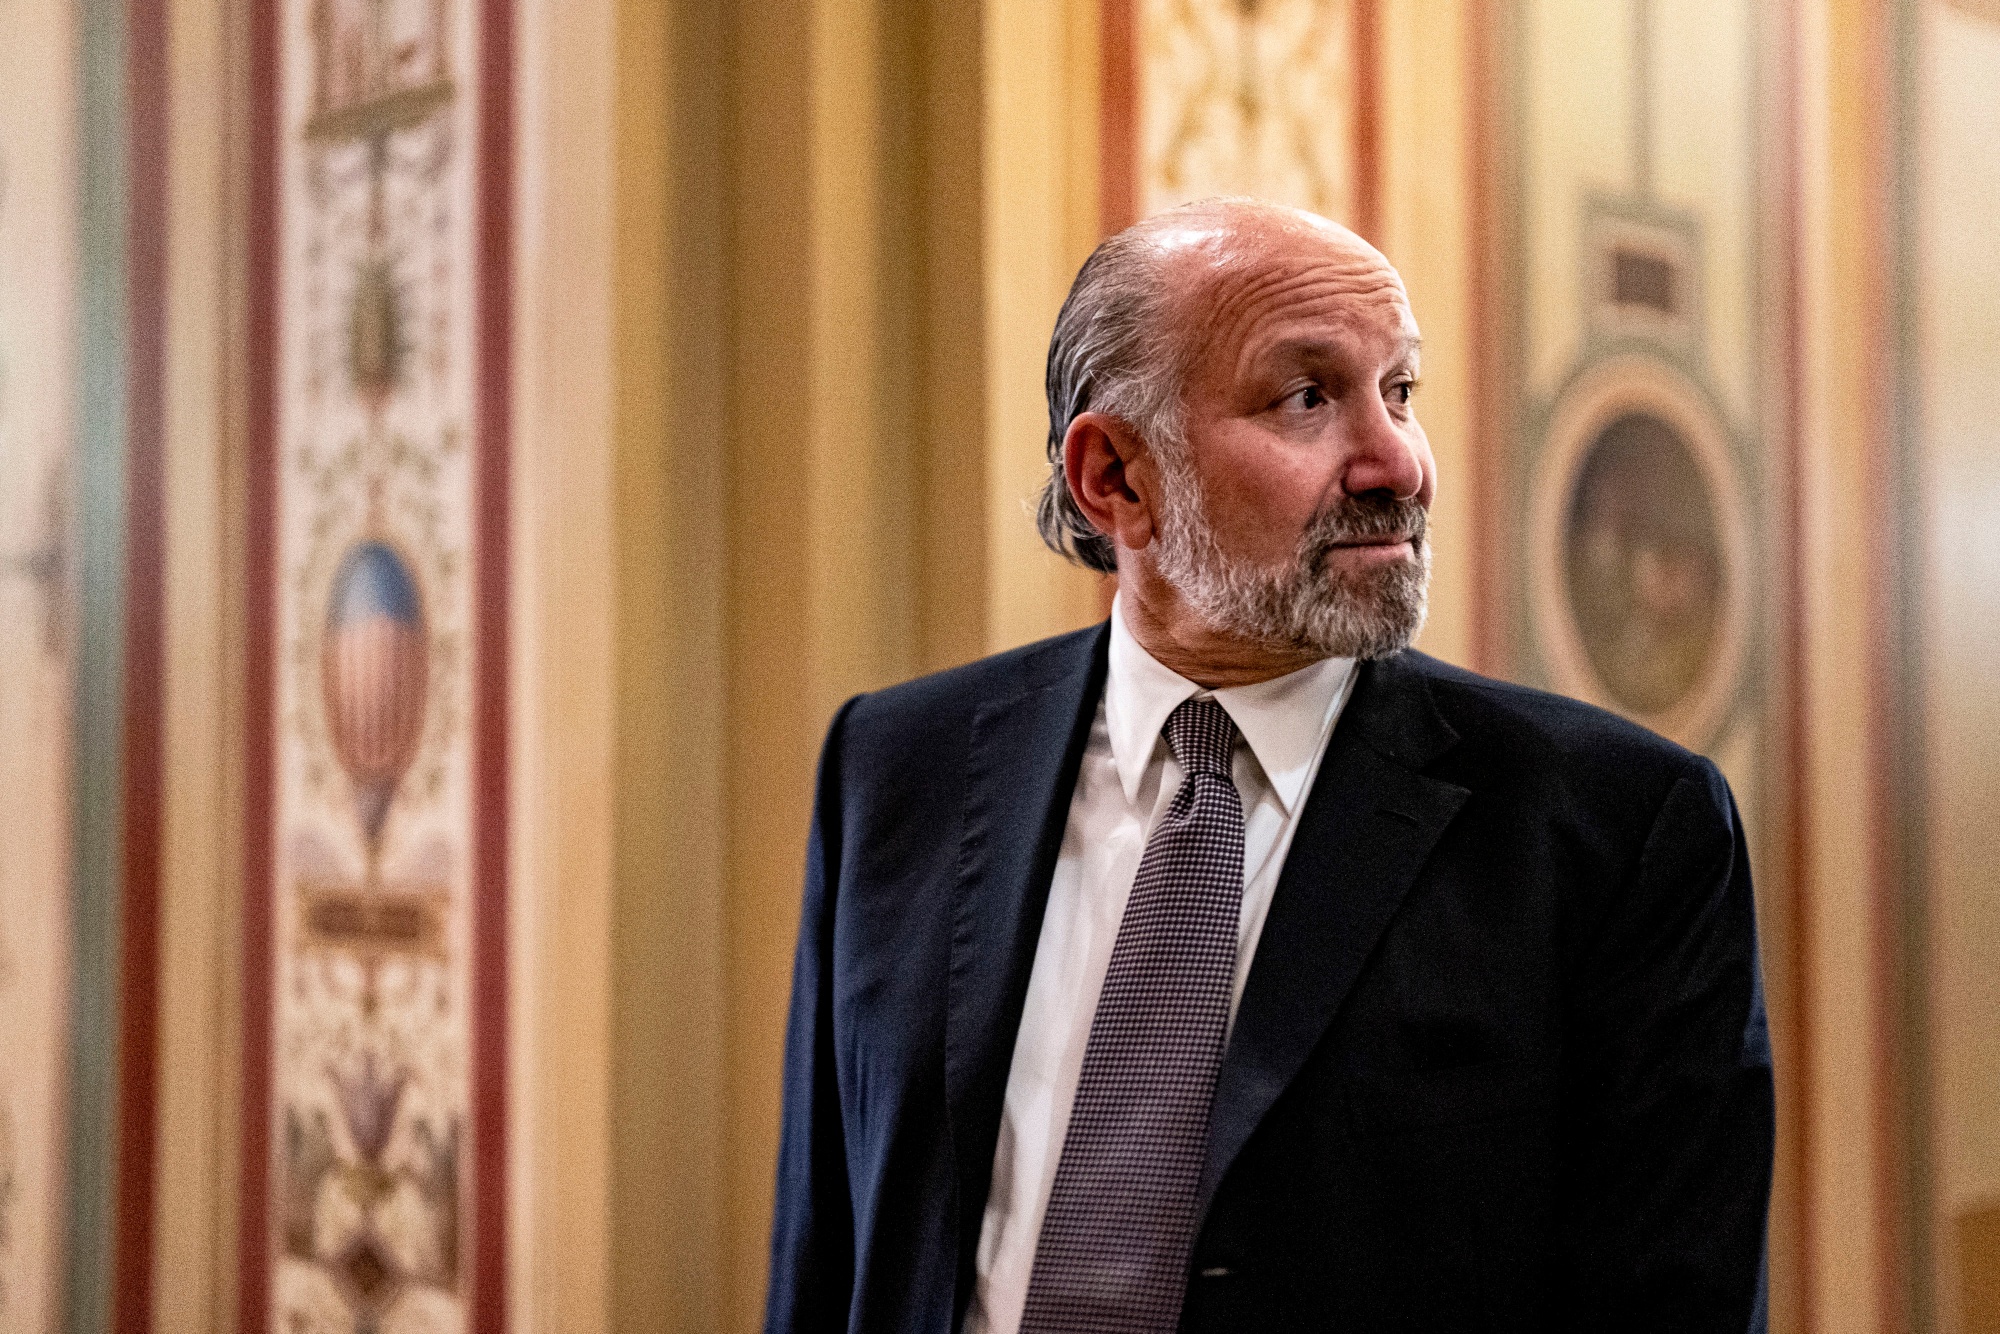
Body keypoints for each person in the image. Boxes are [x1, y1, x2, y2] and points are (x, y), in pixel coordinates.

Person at [764, 198, 1773, 1333]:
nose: (1395, 459)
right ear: (1116, 478)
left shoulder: (1616, 831)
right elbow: (825, 1254)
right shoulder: (896, 768)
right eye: (1306, 397)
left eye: (1397, 391)